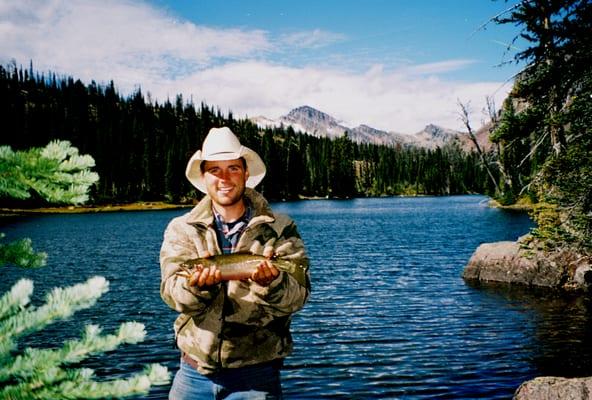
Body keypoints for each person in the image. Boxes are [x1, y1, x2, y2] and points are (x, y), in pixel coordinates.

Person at [160, 126, 311, 399]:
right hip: (193, 373)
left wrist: (273, 283)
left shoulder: (280, 228)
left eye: (233, 168)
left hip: (257, 376)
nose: (224, 178)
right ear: (204, 177)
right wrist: (197, 287)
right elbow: (173, 295)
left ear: (246, 174)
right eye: (215, 170)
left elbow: (298, 298)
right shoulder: (181, 228)